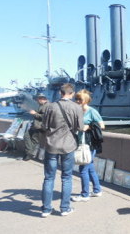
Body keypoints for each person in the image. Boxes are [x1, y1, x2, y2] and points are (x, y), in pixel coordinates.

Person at [41, 83, 83, 217]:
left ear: (60, 93)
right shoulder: (76, 107)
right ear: (72, 93)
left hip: (51, 145)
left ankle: (46, 209)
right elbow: (80, 127)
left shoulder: (50, 107)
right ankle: (65, 208)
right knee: (66, 177)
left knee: (48, 178)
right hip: (68, 146)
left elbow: (44, 126)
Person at [71, 89, 105, 202]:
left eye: (80, 99)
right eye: (76, 99)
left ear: (86, 100)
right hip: (81, 141)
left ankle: (84, 195)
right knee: (90, 168)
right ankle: (97, 190)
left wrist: (89, 127)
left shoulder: (92, 111)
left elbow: (102, 125)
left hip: (89, 144)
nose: (77, 101)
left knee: (83, 170)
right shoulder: (78, 111)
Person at [23, 94, 49, 160]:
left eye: (37, 100)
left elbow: (44, 117)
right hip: (35, 125)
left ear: (42, 99)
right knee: (29, 137)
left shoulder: (47, 106)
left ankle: (29, 153)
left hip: (39, 126)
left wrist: (34, 113)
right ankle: (29, 153)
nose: (36, 101)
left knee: (32, 139)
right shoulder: (42, 105)